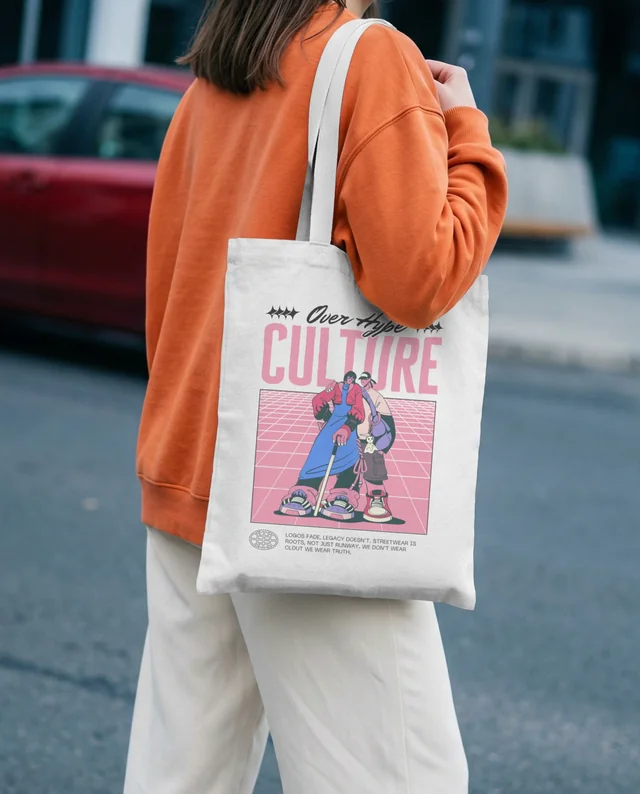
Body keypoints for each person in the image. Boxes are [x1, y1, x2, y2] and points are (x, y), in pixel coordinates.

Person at [128, 1, 508, 792]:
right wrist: (466, 131)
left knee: (183, 775)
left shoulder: (217, 74)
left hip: (191, 467)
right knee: (402, 777)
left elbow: (171, 287)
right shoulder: (370, 58)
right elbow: (420, 280)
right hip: (304, 503)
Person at [280, 372, 366, 521]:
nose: (350, 380)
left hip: (349, 426)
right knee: (319, 453)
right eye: (348, 378)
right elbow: (319, 400)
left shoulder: (357, 389)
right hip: (332, 424)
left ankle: (343, 494)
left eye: (352, 378)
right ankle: (305, 490)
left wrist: (347, 427)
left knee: (350, 455)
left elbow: (359, 409)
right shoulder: (337, 387)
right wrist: (326, 413)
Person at [357, 371, 397, 522]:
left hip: (370, 441)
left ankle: (376, 499)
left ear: (369, 380)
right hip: (351, 438)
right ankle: (344, 496)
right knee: (347, 470)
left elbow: (388, 422)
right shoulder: (353, 392)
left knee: (373, 470)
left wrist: (384, 447)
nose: (362, 381)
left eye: (365, 378)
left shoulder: (376, 396)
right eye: (361, 379)